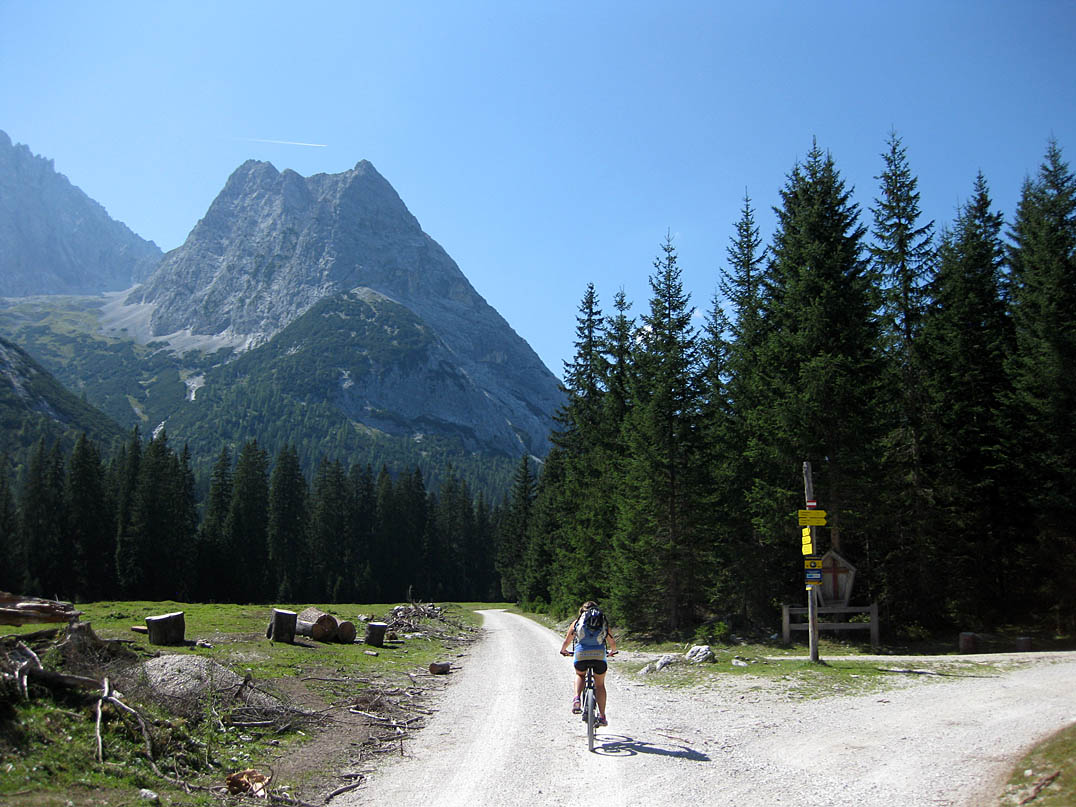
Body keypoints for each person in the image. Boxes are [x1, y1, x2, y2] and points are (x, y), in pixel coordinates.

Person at [559, 600, 617, 726]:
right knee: (600, 685)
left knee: (580, 674)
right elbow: (612, 642)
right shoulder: (602, 621)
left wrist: (563, 650)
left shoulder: (577, 622)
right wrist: (613, 651)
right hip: (599, 656)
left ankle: (577, 699)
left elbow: (567, 640)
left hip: (581, 655)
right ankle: (602, 716)